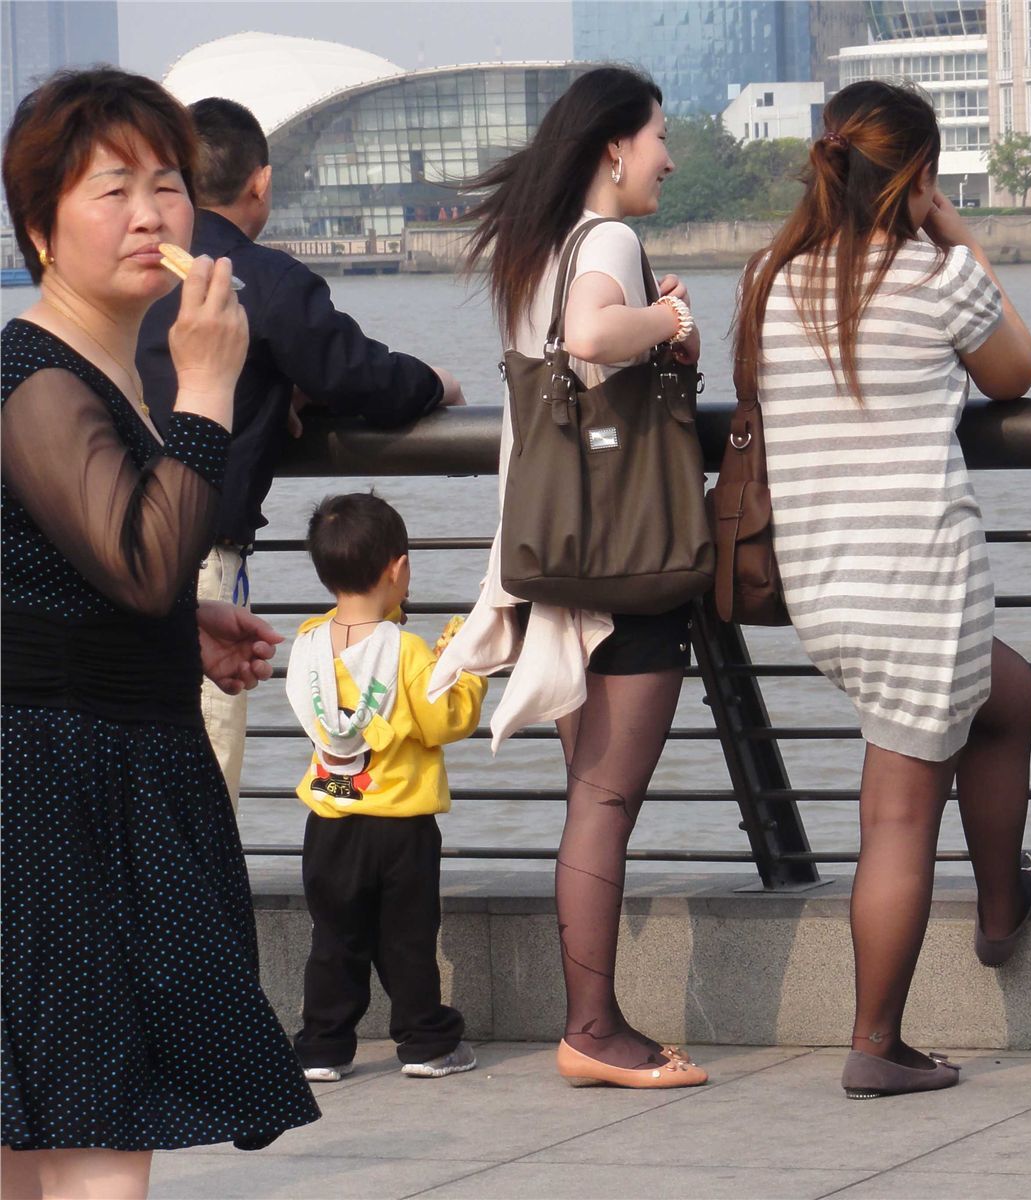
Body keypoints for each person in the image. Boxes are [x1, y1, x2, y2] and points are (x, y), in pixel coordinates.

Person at [1, 68, 320, 1198]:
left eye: (169, 186)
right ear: (39, 227)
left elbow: (60, 577)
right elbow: (139, 562)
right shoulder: (37, 378)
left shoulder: (90, 367)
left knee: (40, 1121)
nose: (150, 215)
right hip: (56, 787)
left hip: (98, 764)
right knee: (92, 1126)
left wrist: (184, 629)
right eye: (111, 189)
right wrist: (208, 384)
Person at [733, 80, 1031, 1100]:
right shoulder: (931, 275)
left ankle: (1001, 907)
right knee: (899, 815)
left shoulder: (774, 281)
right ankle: (877, 1041)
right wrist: (957, 236)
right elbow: (1015, 372)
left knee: (1007, 692)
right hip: (919, 580)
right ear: (916, 176)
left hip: (825, 586)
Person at [436, 65, 708, 1089]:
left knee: (584, 797)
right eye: (658, 138)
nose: (669, 158)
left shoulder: (537, 251)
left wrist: (651, 320)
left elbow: (569, 350)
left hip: (553, 553)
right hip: (624, 560)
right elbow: (596, 341)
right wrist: (673, 325)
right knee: (604, 802)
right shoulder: (606, 242)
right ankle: (591, 1028)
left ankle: (593, 1022)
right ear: (611, 148)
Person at [135, 97, 467, 809]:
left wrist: (274, 383)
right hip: (199, 556)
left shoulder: (135, 276)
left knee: (122, 772)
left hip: (102, 546)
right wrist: (436, 384)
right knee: (201, 775)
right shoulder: (263, 281)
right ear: (261, 182)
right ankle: (195, 916)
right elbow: (361, 376)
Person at [285, 492, 485, 1083]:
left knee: (335, 938)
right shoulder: (409, 652)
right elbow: (445, 722)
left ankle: (322, 1047)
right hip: (401, 828)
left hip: (329, 824)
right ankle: (425, 1043)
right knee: (407, 940)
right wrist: (464, 668)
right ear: (397, 568)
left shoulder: (308, 643)